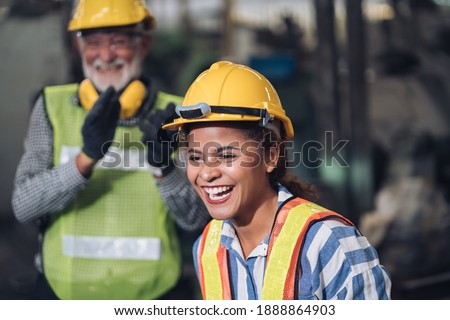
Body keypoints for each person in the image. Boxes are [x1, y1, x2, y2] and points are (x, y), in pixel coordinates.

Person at [11, 0, 209, 300]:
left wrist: (164, 168)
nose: (105, 55)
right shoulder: (51, 106)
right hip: (64, 293)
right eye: (94, 42)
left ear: (143, 45)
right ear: (79, 47)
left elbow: (194, 218)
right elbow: (23, 206)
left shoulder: (174, 113)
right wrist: (86, 158)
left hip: (151, 295)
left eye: (117, 42)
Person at [162, 61, 392, 300]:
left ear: (271, 155)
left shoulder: (329, 243)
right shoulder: (207, 248)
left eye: (227, 155)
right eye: (195, 157)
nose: (207, 173)